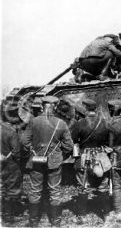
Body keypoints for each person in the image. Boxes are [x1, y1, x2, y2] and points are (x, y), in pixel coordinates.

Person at [23, 96, 74, 227]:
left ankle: (33, 223)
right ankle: (56, 223)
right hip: (54, 162)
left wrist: (33, 151)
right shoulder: (61, 123)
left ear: (42, 106)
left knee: (35, 190)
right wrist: (58, 156)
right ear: (55, 107)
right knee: (55, 191)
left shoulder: (33, 121)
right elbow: (69, 146)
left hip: (36, 161)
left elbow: (24, 142)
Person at [71, 98, 111, 224]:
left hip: (84, 157)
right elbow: (108, 141)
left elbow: (73, 140)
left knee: (83, 186)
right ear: (95, 109)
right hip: (101, 156)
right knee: (103, 185)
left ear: (85, 109)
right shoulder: (105, 122)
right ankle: (106, 214)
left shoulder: (79, 123)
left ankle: (82, 215)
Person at [0, 118, 22, 224]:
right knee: (12, 188)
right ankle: (9, 214)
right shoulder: (11, 131)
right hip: (9, 164)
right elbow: (16, 151)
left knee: (2, 188)